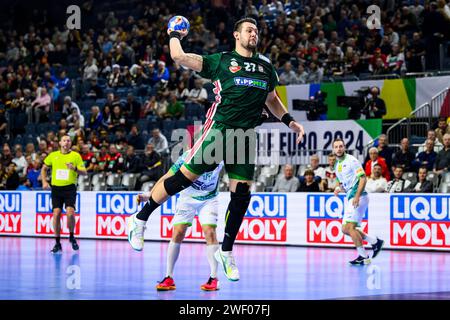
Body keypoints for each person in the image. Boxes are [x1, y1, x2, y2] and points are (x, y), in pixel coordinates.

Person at [127, 17, 304, 282]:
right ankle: (140, 220)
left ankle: (227, 251)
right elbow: (179, 57)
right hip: (219, 129)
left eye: (256, 30)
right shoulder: (221, 60)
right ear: (236, 35)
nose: (253, 33)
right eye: (248, 30)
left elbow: (272, 99)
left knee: (242, 194)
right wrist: (174, 34)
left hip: (245, 135)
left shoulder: (266, 66)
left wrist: (290, 122)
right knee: (183, 178)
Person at [142, 151, 224, 291]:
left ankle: (213, 278)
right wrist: (151, 194)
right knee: (178, 232)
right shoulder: (186, 157)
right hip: (187, 198)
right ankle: (169, 277)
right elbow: (167, 177)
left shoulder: (221, 157)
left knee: (210, 232)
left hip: (209, 199)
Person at [332, 138, 384, 265]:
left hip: (359, 197)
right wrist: (339, 188)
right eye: (336, 147)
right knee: (345, 229)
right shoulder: (336, 165)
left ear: (344, 147)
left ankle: (363, 256)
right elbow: (342, 183)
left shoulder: (352, 160)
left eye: (341, 146)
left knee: (350, 227)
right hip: (351, 197)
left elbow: (363, 179)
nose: (339, 149)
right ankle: (374, 242)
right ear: (333, 149)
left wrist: (357, 196)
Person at [41, 135, 87, 253]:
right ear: (60, 143)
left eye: (68, 140)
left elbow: (85, 172)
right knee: (56, 214)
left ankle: (71, 236)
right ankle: (57, 243)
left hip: (69, 188)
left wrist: (74, 168)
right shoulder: (53, 155)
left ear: (70, 143)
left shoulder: (75, 156)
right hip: (56, 189)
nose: (66, 142)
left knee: (70, 213)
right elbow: (44, 168)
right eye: (64, 140)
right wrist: (45, 181)